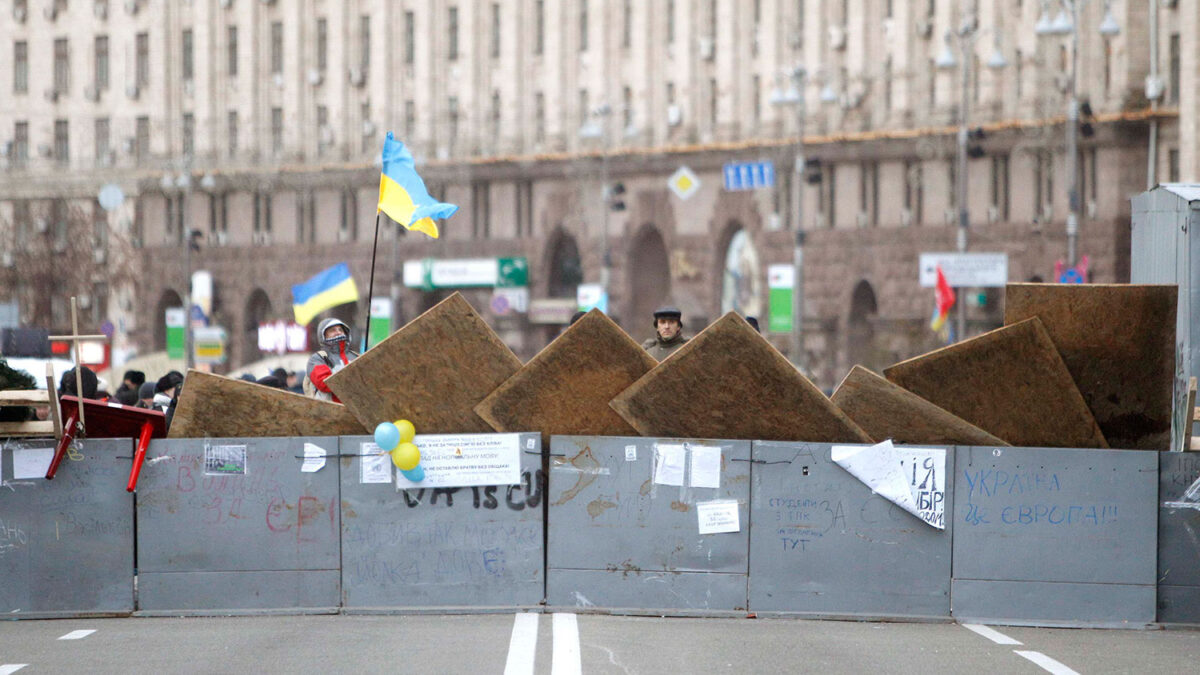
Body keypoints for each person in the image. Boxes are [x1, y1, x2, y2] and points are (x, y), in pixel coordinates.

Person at [305, 318, 359, 402]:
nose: (338, 332)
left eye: (340, 329)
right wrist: (356, 382)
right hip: (330, 412)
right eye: (332, 330)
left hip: (357, 411)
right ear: (323, 335)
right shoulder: (318, 358)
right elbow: (325, 383)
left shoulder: (355, 356)